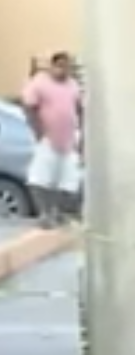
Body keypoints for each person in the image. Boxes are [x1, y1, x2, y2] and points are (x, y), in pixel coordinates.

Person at [21, 52, 83, 227]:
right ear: (52, 66)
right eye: (59, 66)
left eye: (66, 67)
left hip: (69, 140)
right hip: (48, 139)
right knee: (40, 178)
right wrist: (38, 131)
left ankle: (59, 213)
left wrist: (81, 135)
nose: (62, 70)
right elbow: (29, 106)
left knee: (69, 181)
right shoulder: (40, 83)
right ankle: (44, 213)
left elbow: (79, 109)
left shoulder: (73, 86)